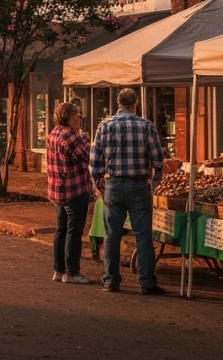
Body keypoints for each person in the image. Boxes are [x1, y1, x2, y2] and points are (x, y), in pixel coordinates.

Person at [90, 87, 167, 295]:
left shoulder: (104, 126)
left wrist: (100, 187)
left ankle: (111, 280)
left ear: (118, 103)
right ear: (135, 104)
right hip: (138, 185)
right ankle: (146, 282)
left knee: (112, 236)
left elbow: (95, 163)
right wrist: (154, 184)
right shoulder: (146, 126)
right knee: (143, 236)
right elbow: (158, 161)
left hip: (113, 184)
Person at [47, 98, 93, 285]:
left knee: (61, 230)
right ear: (70, 116)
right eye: (77, 114)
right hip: (74, 189)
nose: (79, 118)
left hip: (58, 189)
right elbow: (87, 153)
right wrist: (84, 138)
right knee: (74, 233)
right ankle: (71, 272)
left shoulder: (53, 133)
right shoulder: (70, 136)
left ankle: (58, 269)